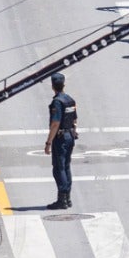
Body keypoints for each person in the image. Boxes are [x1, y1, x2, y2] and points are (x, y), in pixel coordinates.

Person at [44, 71, 77, 211]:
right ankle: (67, 198)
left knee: (59, 168)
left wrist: (48, 142)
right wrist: (74, 131)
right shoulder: (70, 99)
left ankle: (62, 200)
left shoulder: (57, 102)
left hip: (61, 138)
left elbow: (55, 123)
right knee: (67, 166)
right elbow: (74, 119)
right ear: (64, 84)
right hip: (70, 135)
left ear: (52, 86)